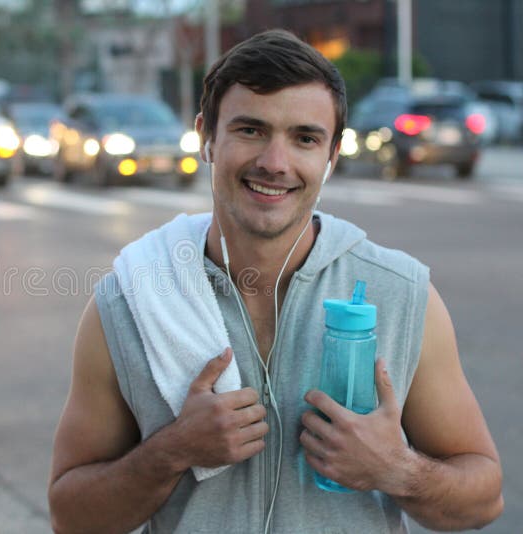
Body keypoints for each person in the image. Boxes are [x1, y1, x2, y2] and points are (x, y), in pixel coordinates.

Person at [48, 29, 503, 533]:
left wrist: (397, 469)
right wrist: (172, 450)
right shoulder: (129, 302)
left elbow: (482, 500)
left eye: (304, 138)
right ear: (207, 138)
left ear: (331, 157)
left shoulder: (401, 294)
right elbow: (71, 516)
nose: (274, 162)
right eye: (250, 130)